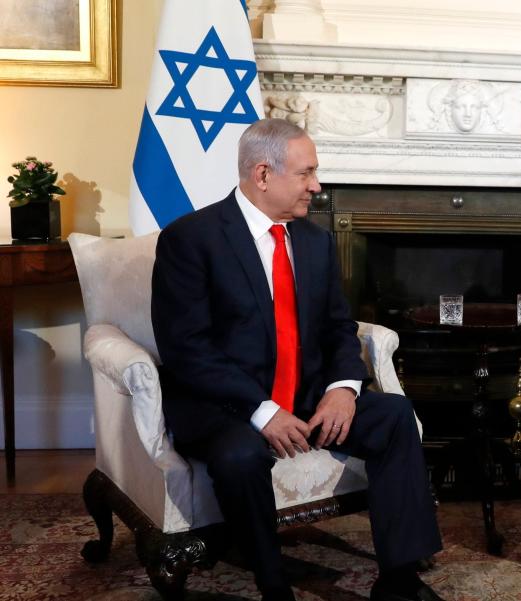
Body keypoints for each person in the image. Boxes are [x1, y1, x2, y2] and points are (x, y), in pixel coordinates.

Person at [152, 118, 445, 601]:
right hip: (225, 405)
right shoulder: (190, 239)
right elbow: (187, 349)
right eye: (307, 173)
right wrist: (262, 411)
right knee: (240, 455)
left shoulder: (314, 240)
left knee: (393, 415)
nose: (317, 185)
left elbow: (338, 327)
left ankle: (399, 578)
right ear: (263, 174)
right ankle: (273, 586)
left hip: (306, 394)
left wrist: (343, 389)